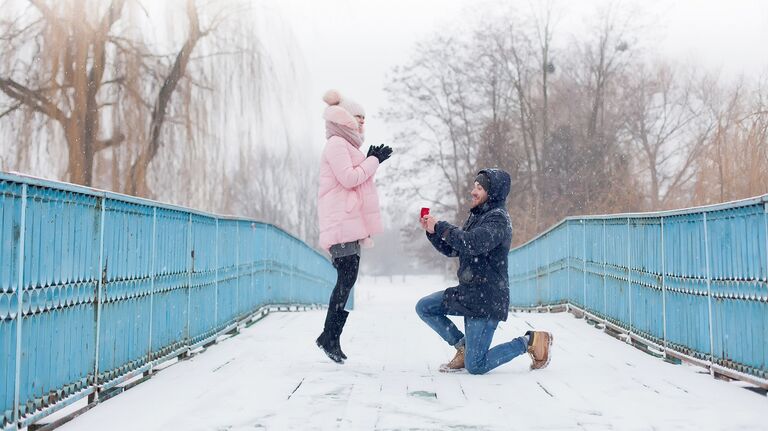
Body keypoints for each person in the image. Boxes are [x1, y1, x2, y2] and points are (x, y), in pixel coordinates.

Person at [416, 168, 553, 374]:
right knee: (425, 307)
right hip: (468, 293)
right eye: (474, 186)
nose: (473, 191)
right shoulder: (478, 216)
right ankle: (463, 347)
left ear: (493, 192)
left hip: (488, 298)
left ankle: (530, 341)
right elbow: (455, 248)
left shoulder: (498, 220)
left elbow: (472, 243)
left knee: (476, 366)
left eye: (479, 188)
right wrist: (433, 233)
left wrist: (441, 226)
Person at [315, 90, 393, 364]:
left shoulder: (347, 146)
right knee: (346, 279)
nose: (362, 123)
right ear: (344, 118)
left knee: (347, 279)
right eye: (357, 118)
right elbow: (349, 179)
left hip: (349, 224)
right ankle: (329, 336)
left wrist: (370, 159)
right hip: (340, 223)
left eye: (364, 119)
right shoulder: (336, 143)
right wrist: (373, 161)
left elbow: (355, 178)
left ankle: (330, 336)